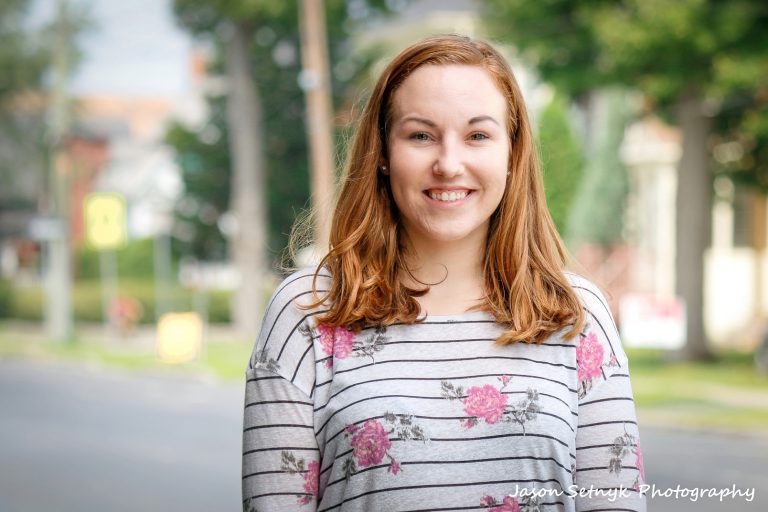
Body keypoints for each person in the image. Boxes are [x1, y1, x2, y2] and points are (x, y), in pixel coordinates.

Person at [242, 34, 646, 512]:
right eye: (420, 135)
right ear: (383, 155)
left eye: (477, 135)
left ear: (512, 154)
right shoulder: (307, 313)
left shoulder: (577, 316)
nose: (448, 164)